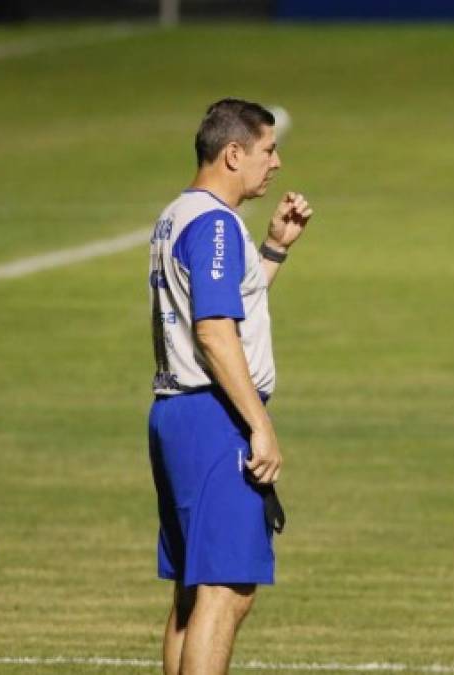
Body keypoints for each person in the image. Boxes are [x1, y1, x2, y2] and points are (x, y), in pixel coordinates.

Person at [147, 98, 313, 675]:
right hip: (214, 418)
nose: (276, 162)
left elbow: (227, 304)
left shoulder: (179, 214)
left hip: (177, 414)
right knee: (228, 589)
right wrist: (260, 426)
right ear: (233, 153)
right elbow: (216, 333)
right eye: (268, 150)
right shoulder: (216, 223)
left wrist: (274, 250)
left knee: (194, 593)